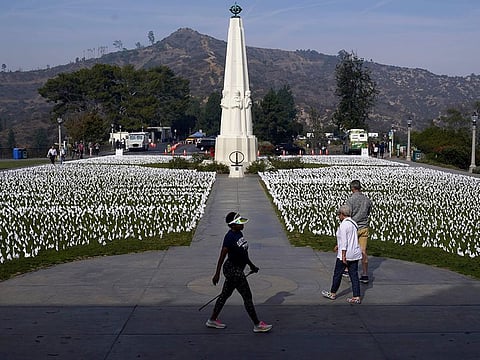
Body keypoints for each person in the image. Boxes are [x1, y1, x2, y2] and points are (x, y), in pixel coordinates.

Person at [206, 211, 272, 333]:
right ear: (232, 225)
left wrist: (251, 266)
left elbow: (244, 254)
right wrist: (217, 273)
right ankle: (257, 324)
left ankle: (212, 320)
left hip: (237, 269)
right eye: (239, 223)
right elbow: (222, 256)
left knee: (225, 295)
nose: (242, 224)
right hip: (232, 270)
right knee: (247, 296)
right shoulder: (229, 237)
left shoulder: (239, 233)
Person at [322, 204, 362, 304]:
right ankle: (356, 296)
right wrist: (338, 245)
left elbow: (344, 241)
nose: (338, 216)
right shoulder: (353, 223)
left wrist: (343, 255)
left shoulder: (344, 225)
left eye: (338, 214)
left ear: (342, 214)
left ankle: (332, 293)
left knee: (337, 274)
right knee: (354, 275)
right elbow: (350, 238)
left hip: (346, 254)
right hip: (355, 253)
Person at [345, 179, 372, 284]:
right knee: (363, 251)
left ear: (352, 188)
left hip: (353, 228)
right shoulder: (367, 200)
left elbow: (348, 214)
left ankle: (347, 269)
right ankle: (365, 274)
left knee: (348, 248)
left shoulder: (350, 200)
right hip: (364, 228)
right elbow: (369, 213)